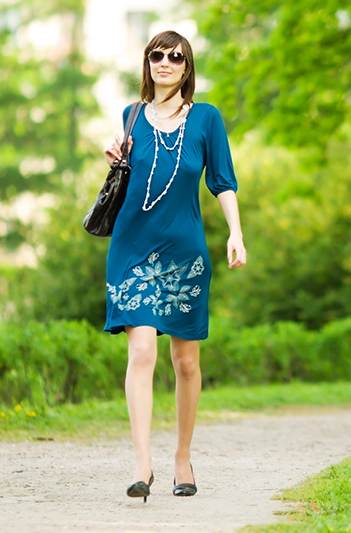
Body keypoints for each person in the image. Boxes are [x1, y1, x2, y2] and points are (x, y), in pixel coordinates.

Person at [102, 30, 246, 503]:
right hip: (132, 249)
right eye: (157, 55)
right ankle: (142, 465)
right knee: (142, 352)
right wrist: (115, 159)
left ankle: (182, 457)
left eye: (176, 56)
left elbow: (222, 180)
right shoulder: (131, 116)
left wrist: (235, 232)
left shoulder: (206, 118)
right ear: (148, 63)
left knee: (186, 362)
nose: (165, 62)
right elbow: (130, 183)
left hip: (184, 253)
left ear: (187, 67)